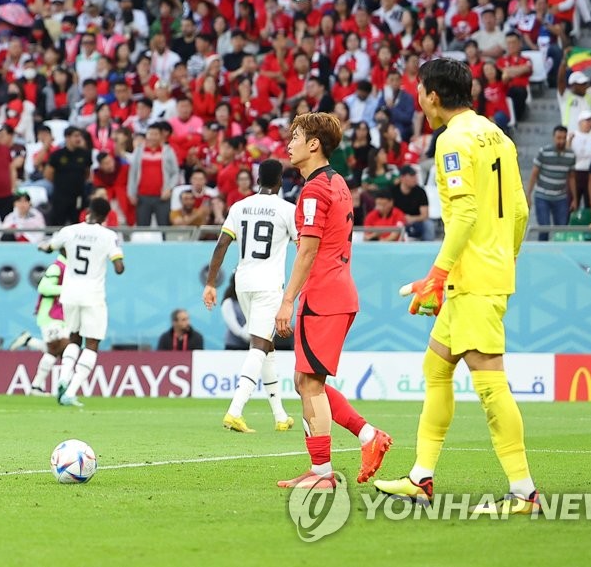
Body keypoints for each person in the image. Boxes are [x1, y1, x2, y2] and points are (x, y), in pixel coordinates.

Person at [374, 59, 538, 515]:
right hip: (485, 271)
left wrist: (438, 273)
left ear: (433, 95)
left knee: (489, 384)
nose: (418, 98)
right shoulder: (496, 135)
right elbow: (521, 211)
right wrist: (506, 259)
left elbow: (464, 215)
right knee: (436, 367)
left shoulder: (453, 140)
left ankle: (524, 492)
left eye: (420, 90)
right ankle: (421, 476)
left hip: (470, 279)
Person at [273, 113, 393, 489]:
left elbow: (307, 251)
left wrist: (287, 299)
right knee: (304, 381)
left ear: (314, 144)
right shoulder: (337, 182)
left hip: (322, 296)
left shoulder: (312, 191)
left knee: (310, 385)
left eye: (295, 137)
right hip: (339, 291)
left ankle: (324, 472)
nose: (288, 143)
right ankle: (366, 437)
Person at [203, 158, 297, 432]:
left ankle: (280, 416)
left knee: (266, 346)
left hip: (243, 282)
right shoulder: (287, 210)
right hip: (269, 284)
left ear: (257, 179)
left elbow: (222, 245)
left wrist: (210, 283)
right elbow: (304, 247)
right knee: (258, 345)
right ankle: (234, 411)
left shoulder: (239, 207)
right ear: (280, 181)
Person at [38, 198, 124, 407]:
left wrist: (44, 247)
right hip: (92, 294)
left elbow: (50, 247)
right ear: (105, 217)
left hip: (69, 293)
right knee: (92, 343)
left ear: (88, 211)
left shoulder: (70, 231)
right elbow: (119, 267)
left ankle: (63, 378)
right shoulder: (108, 236)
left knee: (74, 338)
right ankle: (71, 391)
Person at [8, 255, 73, 397]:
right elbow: (44, 287)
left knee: (61, 349)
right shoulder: (57, 267)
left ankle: (29, 341)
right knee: (58, 348)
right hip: (50, 315)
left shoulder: (70, 267)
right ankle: (36, 386)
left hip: (60, 315)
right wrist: (67, 289)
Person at [528, 126, 577, 241]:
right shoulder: (544, 152)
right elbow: (534, 173)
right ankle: (541, 255)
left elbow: (571, 177)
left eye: (563, 138)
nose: (561, 141)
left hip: (561, 197)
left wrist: (575, 198)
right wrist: (528, 194)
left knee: (562, 230)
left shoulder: (571, 155)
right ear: (553, 137)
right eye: (558, 138)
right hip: (542, 195)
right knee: (544, 228)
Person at [128, 122, 180, 226]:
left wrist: (169, 189)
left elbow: (175, 173)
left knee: (164, 227)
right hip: (142, 196)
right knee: (142, 228)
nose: (152, 137)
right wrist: (131, 193)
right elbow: (133, 172)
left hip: (162, 197)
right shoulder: (139, 150)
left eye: (155, 134)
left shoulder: (168, 151)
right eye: (150, 134)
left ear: (161, 136)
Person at [45, 126, 92, 226]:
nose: (78, 139)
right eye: (75, 136)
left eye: (80, 136)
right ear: (67, 137)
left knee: (78, 224)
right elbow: (48, 174)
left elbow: (87, 173)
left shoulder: (85, 154)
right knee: (58, 224)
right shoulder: (57, 155)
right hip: (60, 196)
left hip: (78, 196)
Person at [393, 166, 434, 241]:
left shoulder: (420, 192)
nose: (415, 179)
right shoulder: (393, 191)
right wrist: (401, 218)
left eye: (415, 176)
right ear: (402, 178)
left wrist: (412, 218)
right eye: (412, 176)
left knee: (429, 225)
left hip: (417, 221)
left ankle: (428, 248)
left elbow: (425, 215)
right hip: (397, 220)